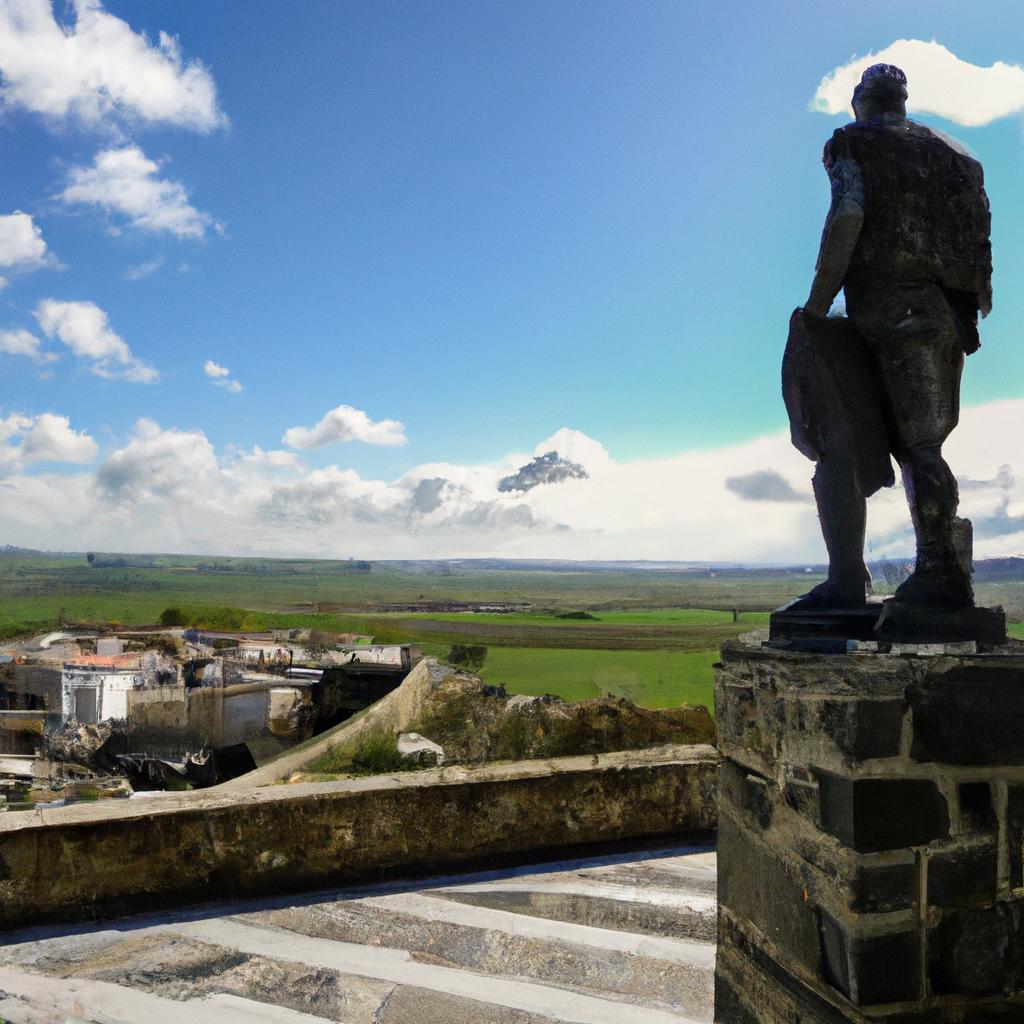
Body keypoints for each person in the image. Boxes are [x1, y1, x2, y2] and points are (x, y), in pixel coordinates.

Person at [794, 63, 991, 610]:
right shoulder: (956, 154)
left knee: (845, 439)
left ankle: (921, 575)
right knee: (921, 445)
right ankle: (932, 570)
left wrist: (816, 303)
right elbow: (978, 238)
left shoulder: (851, 143)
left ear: (861, 102)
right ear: (902, 102)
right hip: (945, 316)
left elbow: (848, 216)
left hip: (885, 308)